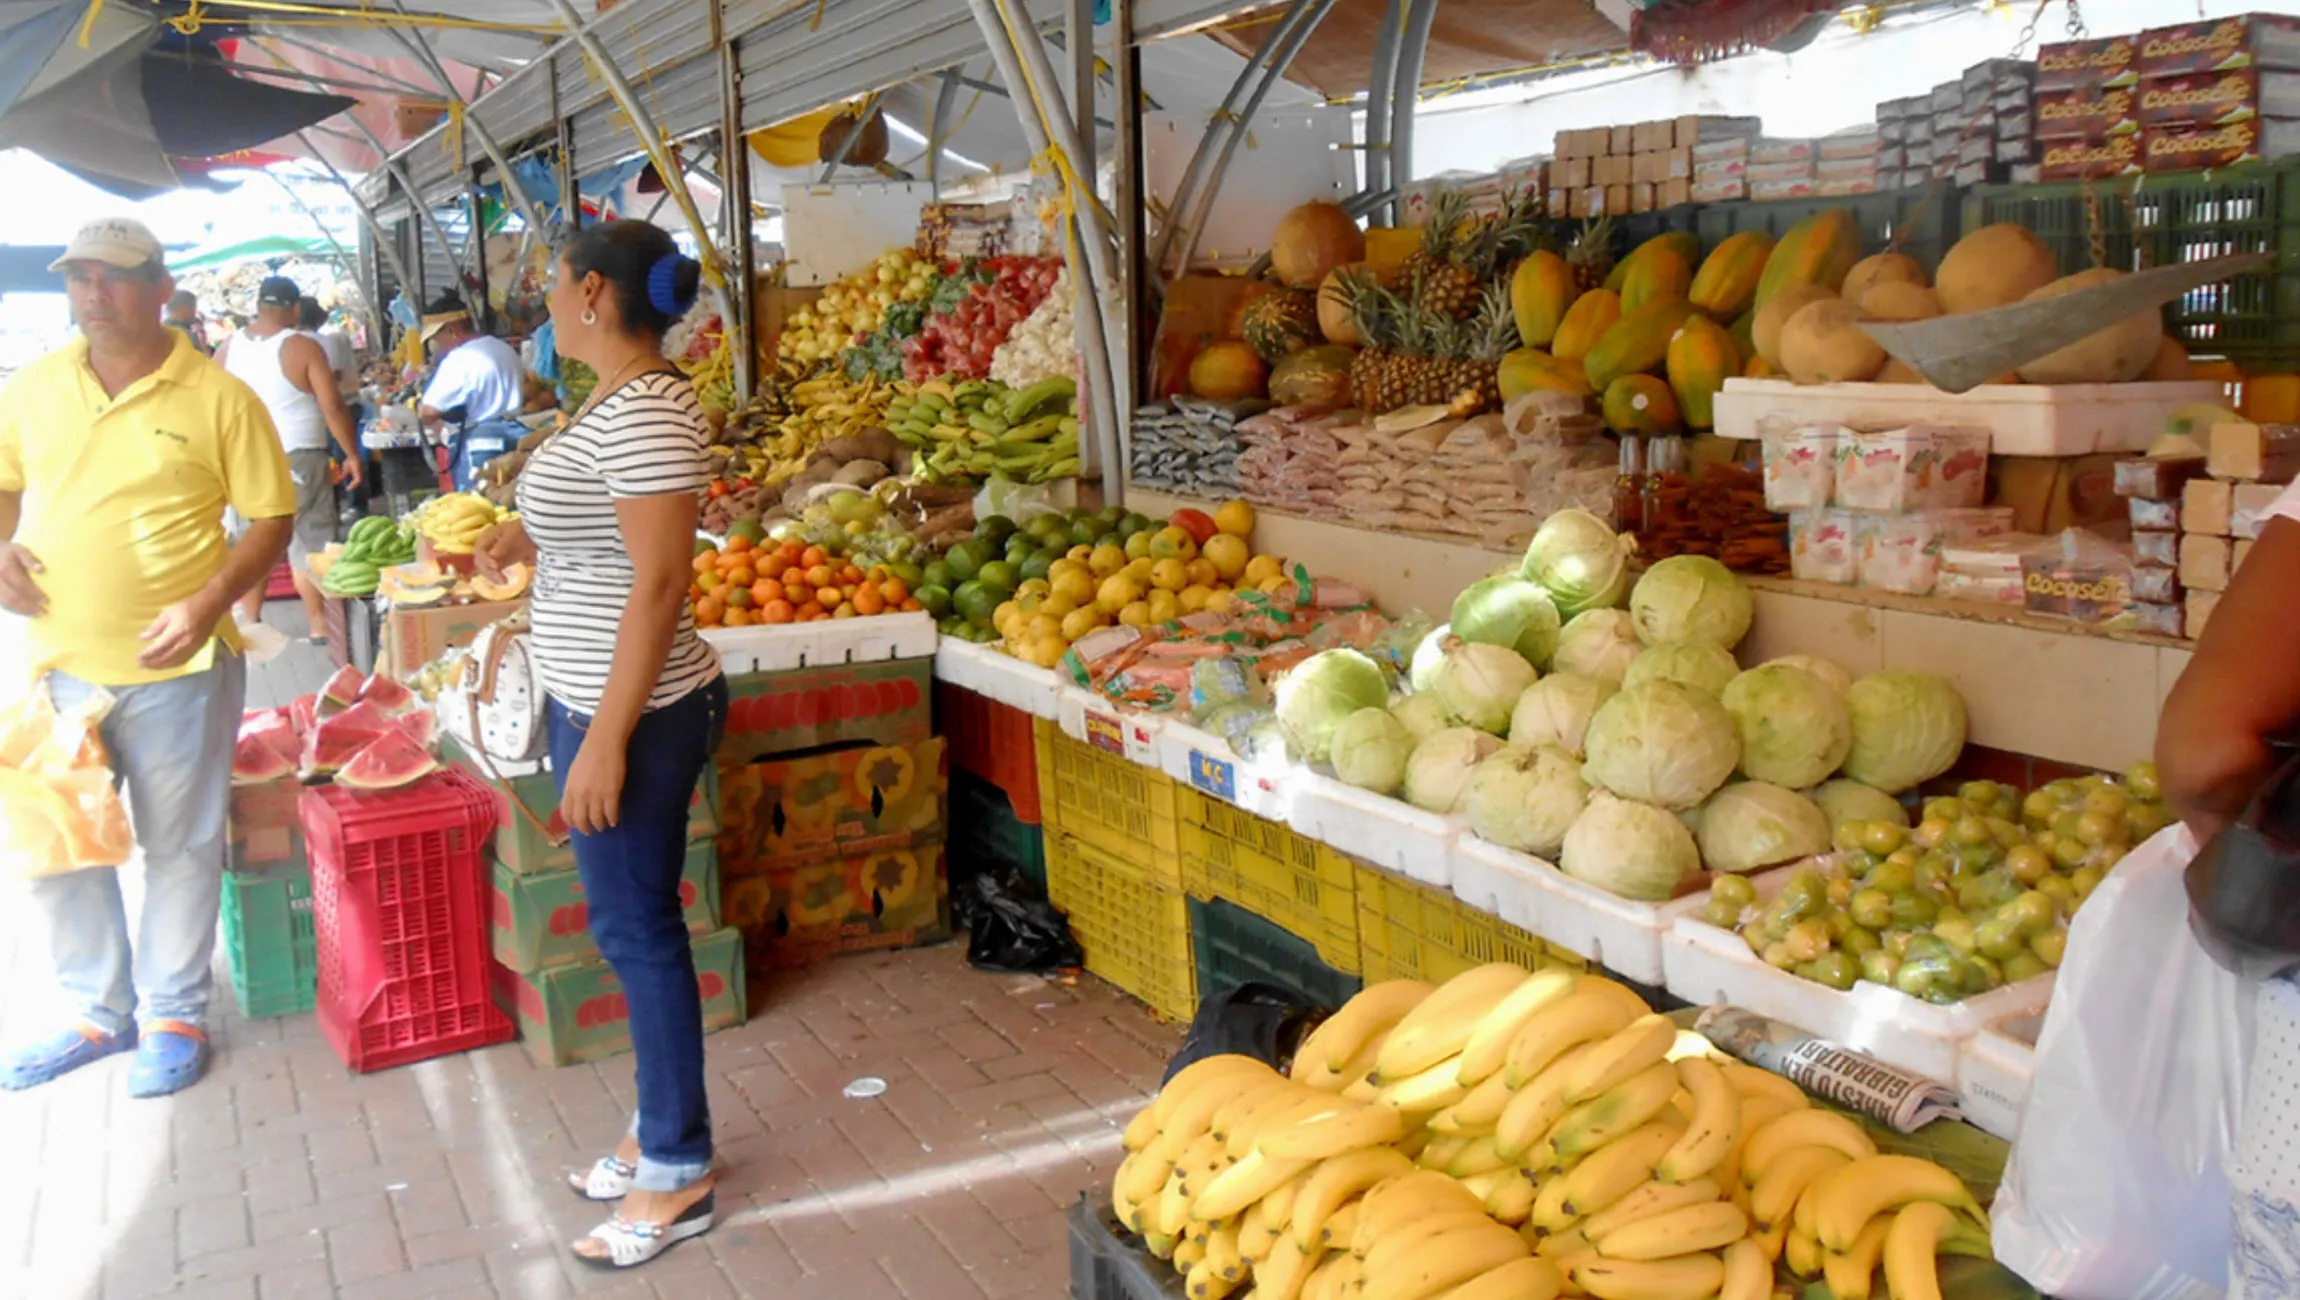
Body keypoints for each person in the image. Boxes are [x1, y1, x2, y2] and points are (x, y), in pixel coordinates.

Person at [473, 220, 724, 1270]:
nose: (541, 301)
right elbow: (609, 525)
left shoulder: (650, 411)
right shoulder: (616, 398)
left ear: (591, 293)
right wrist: (526, 532)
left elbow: (661, 583)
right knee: (630, 928)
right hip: (597, 699)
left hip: (641, 712)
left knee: (638, 931)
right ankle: (654, 1124)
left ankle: (679, 1166)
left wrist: (607, 739)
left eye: (551, 282)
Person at [0, 218, 296, 1097]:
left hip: (181, 669)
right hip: (61, 667)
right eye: (79, 276)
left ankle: (173, 1012)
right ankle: (98, 1011)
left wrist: (208, 604)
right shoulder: (32, 387)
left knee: (180, 846)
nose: (94, 293)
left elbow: (271, 517)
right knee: (64, 846)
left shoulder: (220, 396)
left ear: (162, 287)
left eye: (117, 276)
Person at [214, 277, 363, 639]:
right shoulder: (301, 346)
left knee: (253, 541)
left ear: (259, 306)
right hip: (300, 453)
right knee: (309, 539)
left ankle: (250, 621)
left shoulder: (229, 347)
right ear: (295, 309)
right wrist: (351, 454)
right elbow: (332, 406)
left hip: (246, 456)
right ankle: (318, 625)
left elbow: (209, 402)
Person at [416, 293, 525, 492]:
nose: (438, 344)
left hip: (481, 442)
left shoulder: (459, 359)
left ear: (452, 330)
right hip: (517, 433)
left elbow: (428, 412)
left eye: (438, 338)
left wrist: (420, 410)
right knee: (511, 497)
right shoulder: (503, 348)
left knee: (478, 501)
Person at [164, 288, 210, 356]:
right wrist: (203, 345)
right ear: (184, 309)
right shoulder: (187, 337)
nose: (194, 313)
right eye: (193, 308)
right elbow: (205, 358)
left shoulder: (164, 326)